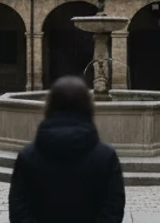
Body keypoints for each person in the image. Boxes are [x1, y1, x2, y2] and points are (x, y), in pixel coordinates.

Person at [8, 76, 125, 223]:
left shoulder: (28, 157)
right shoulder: (106, 157)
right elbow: (112, 210)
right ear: (88, 107)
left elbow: (19, 211)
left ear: (49, 106)